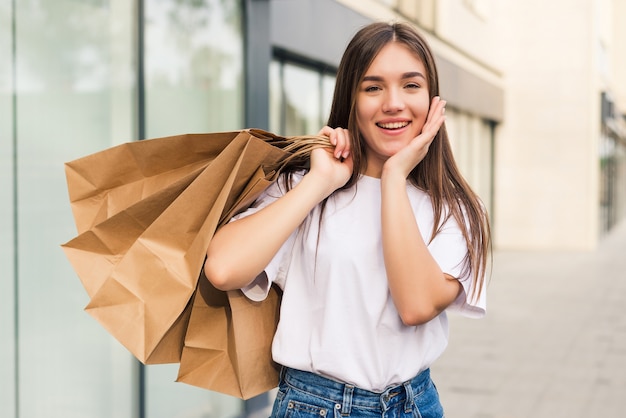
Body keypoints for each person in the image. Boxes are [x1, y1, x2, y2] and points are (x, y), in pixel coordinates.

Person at [204, 21, 491, 418]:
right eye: (373, 87)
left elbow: (416, 305)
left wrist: (393, 178)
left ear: (432, 100)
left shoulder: (454, 206)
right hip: (314, 406)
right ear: (351, 100)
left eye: (411, 85)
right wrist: (320, 181)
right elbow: (222, 268)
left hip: (414, 405)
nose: (393, 103)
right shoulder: (305, 187)